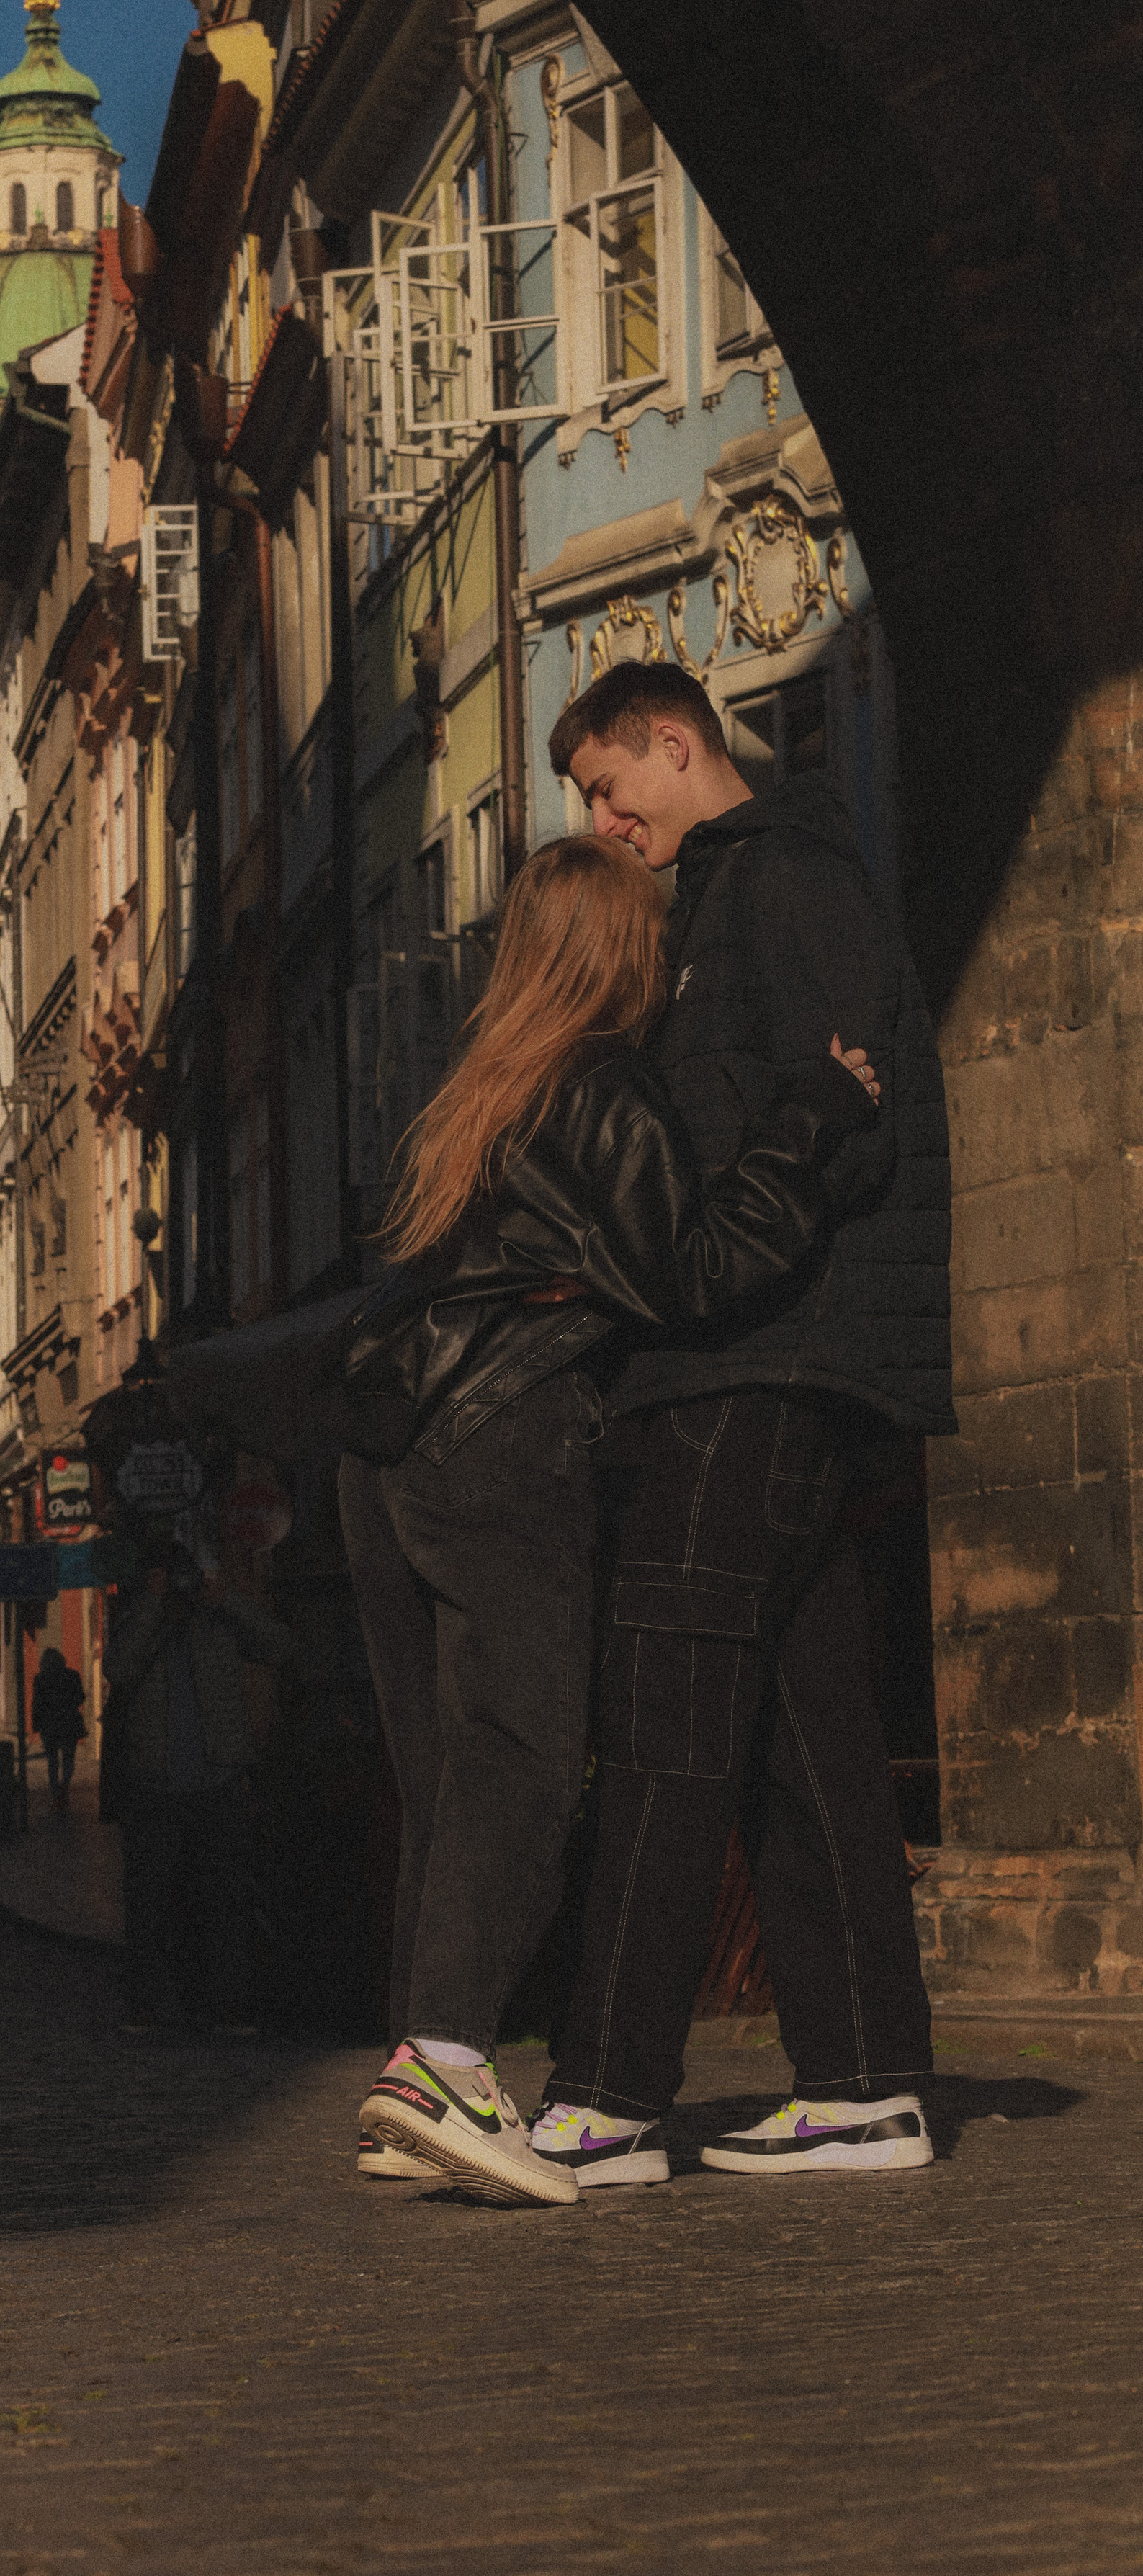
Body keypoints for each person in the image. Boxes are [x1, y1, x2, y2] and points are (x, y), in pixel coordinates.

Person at [337, 832, 882, 2206]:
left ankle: (413, 2068)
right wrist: (808, 1121)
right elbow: (695, 1274)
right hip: (502, 1450)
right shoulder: (603, 1086)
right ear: (618, 950)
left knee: (454, 1772)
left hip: (396, 1453)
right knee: (526, 1756)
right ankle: (445, 2063)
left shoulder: (485, 1089)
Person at [538, 660, 953, 2182]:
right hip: (758, 1361)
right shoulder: (705, 904)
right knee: (805, 1733)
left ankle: (605, 2101)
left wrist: (709, 1275)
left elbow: (847, 1111)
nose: (602, 819)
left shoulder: (778, 882)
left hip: (754, 1363)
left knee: (664, 1724)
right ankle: (862, 2086)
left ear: (674, 742)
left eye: (606, 785)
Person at [106, 1544, 292, 2035]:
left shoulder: (219, 1621)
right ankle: (148, 2005)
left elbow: (281, 1647)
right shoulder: (138, 1620)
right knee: (150, 1902)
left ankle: (229, 2005)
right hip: (153, 1783)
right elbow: (119, 1671)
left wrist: (226, 1601)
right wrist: (153, 1606)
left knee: (227, 1901)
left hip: (221, 1778)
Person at [30, 1645, 86, 1817]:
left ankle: (56, 1795)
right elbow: (80, 1697)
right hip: (69, 1724)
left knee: (53, 1762)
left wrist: (36, 1724)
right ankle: (65, 1789)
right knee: (69, 1760)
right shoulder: (72, 1675)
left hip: (50, 1726)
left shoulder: (40, 1679)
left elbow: (37, 1704)